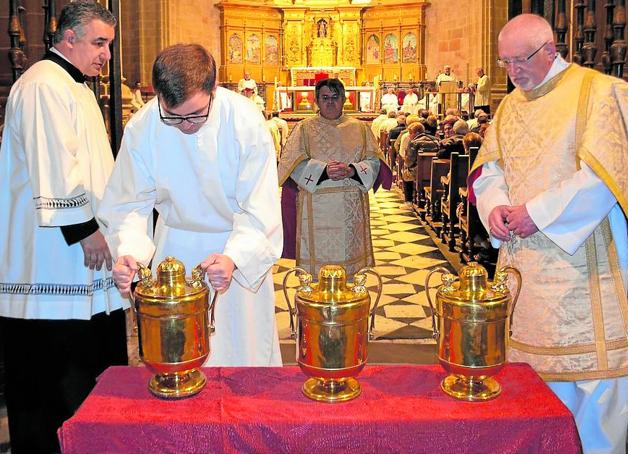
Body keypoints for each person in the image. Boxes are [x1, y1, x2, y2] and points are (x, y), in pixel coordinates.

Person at [469, 14, 628, 453]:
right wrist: (495, 210)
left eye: (521, 60)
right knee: (528, 384)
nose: (513, 73)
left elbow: (606, 178)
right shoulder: (511, 104)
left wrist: (537, 213)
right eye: (505, 63)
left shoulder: (597, 92)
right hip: (522, 262)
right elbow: (490, 170)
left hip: (581, 262)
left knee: (589, 381)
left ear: (551, 48)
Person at [97, 43, 282, 367]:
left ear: (213, 88)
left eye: (196, 114)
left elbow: (259, 207)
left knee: (242, 358)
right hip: (175, 258)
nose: (185, 125)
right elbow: (128, 204)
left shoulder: (244, 121)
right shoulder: (144, 127)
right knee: (179, 363)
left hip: (235, 253)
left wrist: (235, 258)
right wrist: (129, 253)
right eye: (173, 116)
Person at [0, 2, 128, 452]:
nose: (106, 55)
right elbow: (55, 165)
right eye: (99, 43)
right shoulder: (43, 85)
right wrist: (86, 229)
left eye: (109, 45)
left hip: (74, 254)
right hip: (53, 257)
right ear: (67, 38)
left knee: (84, 369)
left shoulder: (76, 87)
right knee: (52, 376)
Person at [278, 78, 391, 278]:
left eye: (335, 97)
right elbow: (290, 165)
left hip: (350, 208)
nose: (330, 102)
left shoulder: (360, 128)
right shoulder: (304, 128)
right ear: (317, 101)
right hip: (315, 205)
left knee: (349, 270)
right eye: (325, 98)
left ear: (344, 99)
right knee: (317, 273)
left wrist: (353, 170)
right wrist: (322, 171)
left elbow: (375, 162)